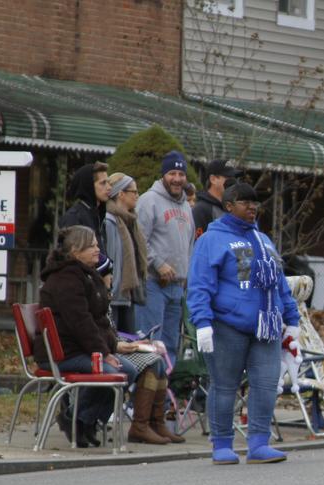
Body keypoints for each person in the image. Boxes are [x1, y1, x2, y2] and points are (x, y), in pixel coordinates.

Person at [187, 182, 300, 464]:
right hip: (227, 326)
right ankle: (222, 444)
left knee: (265, 384)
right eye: (245, 202)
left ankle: (259, 443)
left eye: (255, 203)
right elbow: (199, 284)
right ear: (228, 206)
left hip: (267, 327)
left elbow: (278, 283)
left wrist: (292, 319)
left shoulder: (263, 240)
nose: (252, 207)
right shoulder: (211, 240)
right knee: (225, 385)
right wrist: (202, 323)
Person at [34, 226, 173, 447]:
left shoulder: (85, 275)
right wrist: (103, 353)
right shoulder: (66, 280)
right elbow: (81, 324)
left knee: (125, 368)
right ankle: (76, 419)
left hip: (79, 348)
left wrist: (113, 346)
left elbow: (99, 322)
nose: (97, 249)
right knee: (115, 370)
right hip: (63, 353)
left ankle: (84, 421)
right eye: (92, 245)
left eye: (97, 244)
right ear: (75, 251)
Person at [137, 150, 194, 366]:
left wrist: (187, 273)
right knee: (151, 344)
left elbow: (190, 244)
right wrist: (158, 263)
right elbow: (139, 239)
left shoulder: (187, 206)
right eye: (172, 173)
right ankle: (143, 398)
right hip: (154, 284)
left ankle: (164, 396)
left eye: (181, 174)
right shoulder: (148, 200)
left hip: (177, 286)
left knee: (170, 346)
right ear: (163, 175)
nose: (177, 179)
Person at [103, 173, 149, 334]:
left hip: (127, 295)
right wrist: (111, 290)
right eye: (134, 192)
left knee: (130, 342)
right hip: (114, 296)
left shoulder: (129, 221)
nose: (137, 195)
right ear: (121, 194)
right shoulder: (109, 221)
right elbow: (110, 257)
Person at [58, 162, 113, 278]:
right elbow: (70, 255)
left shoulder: (98, 215)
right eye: (103, 183)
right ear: (88, 186)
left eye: (108, 182)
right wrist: (105, 269)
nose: (109, 187)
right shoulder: (74, 216)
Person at [193, 159, 242, 235]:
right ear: (213, 179)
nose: (234, 182)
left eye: (235, 178)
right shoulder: (201, 209)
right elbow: (199, 244)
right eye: (228, 177)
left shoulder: (231, 207)